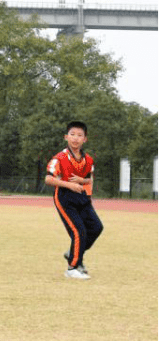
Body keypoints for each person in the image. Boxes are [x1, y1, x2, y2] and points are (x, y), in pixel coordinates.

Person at [44, 120, 103, 280]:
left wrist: (83, 185)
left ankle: (74, 254)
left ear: (85, 139)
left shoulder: (88, 160)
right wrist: (68, 185)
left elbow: (88, 179)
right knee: (79, 231)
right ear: (66, 137)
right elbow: (49, 179)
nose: (75, 138)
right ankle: (72, 268)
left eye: (79, 135)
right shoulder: (60, 158)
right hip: (65, 198)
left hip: (83, 198)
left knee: (97, 227)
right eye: (72, 134)